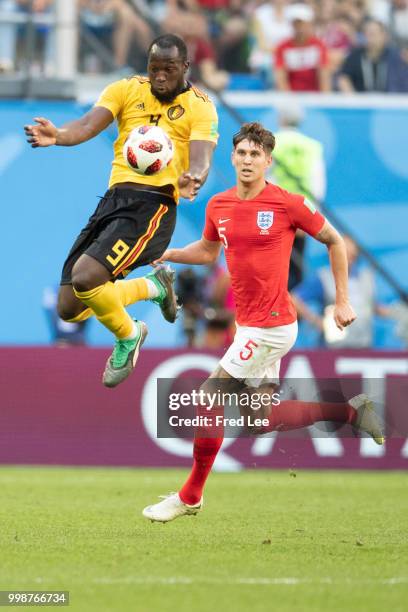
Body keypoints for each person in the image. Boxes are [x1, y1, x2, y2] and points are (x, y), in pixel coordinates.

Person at [143, 122, 384, 523]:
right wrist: (169, 253)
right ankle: (354, 413)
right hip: (250, 324)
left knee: (207, 397)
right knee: (260, 420)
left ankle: (190, 496)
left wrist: (341, 300)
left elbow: (334, 240)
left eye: (257, 154)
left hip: (272, 326)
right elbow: (206, 251)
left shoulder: (287, 203)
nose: (248, 160)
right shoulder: (218, 205)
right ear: (233, 158)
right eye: (242, 153)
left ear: (268, 161)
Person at [24, 33, 218, 388]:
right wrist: (59, 136)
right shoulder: (125, 89)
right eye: (154, 68)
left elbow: (203, 154)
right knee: (69, 306)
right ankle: (154, 287)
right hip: (114, 201)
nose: (160, 76)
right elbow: (85, 125)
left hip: (154, 207)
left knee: (86, 277)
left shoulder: (200, 105)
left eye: (169, 69)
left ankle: (129, 336)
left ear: (185, 67)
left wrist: (195, 176)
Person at [268, 101, 326, 290]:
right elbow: (317, 184)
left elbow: (267, 179)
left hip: (276, 212)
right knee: (296, 268)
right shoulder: (312, 146)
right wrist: (311, 215)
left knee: (273, 265)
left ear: (281, 118)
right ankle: (294, 313)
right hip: (302, 212)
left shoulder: (272, 142)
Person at [338, 19, 408, 93]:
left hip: (390, 101)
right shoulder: (355, 55)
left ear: (384, 36)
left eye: (374, 34)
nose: (371, 39)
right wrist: (352, 99)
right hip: (361, 101)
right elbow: (344, 78)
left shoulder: (396, 56)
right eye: (368, 34)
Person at [275, 3, 331, 92]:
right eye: (296, 24)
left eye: (302, 24)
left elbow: (324, 74)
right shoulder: (283, 47)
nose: (299, 28)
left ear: (309, 24)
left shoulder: (318, 45)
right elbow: (280, 76)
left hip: (315, 96)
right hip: (292, 97)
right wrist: (287, 99)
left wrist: (324, 98)